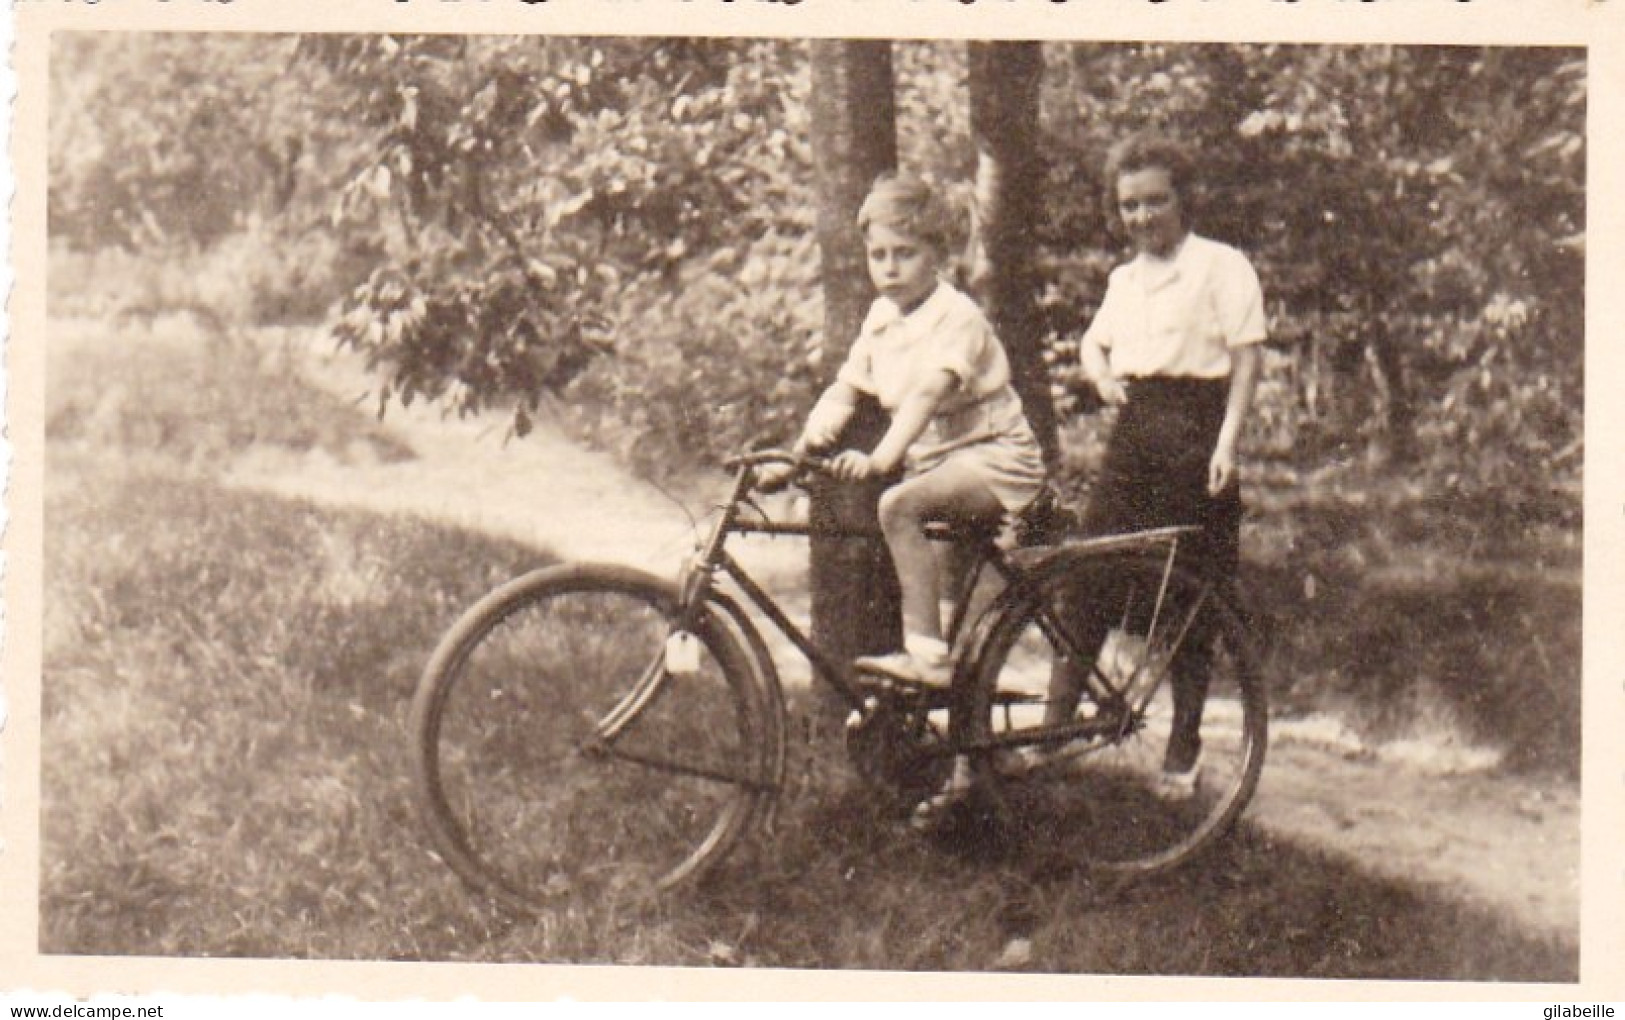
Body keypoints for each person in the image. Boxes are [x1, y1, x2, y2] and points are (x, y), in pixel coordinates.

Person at [1047, 130, 1267, 798]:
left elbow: (1246, 359)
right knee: (1087, 573)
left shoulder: (1221, 266)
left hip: (1196, 431)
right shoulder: (1123, 279)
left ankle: (1183, 744)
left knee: (1188, 595)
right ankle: (1054, 731)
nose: (1141, 217)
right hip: (1134, 432)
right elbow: (1093, 342)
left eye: (1153, 201)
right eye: (1127, 206)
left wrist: (1226, 444)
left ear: (1182, 200)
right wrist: (1103, 377)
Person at [775, 172, 1047, 687]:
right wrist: (794, 459)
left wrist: (879, 460)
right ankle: (956, 689)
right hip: (941, 461)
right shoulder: (880, 318)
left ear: (937, 253)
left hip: (994, 457)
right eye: (878, 255)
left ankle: (926, 657)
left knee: (897, 505)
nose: (890, 267)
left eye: (905, 253)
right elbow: (844, 391)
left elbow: (927, 393)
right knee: (907, 515)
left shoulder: (957, 316)